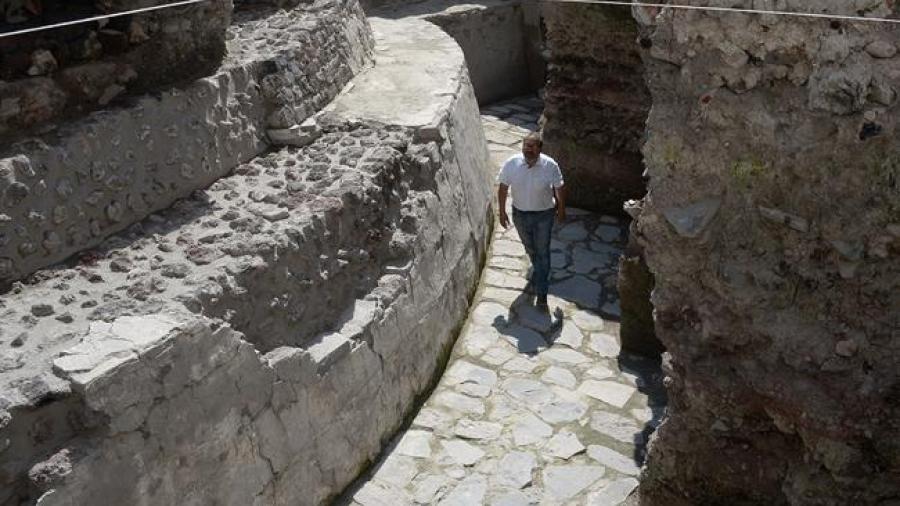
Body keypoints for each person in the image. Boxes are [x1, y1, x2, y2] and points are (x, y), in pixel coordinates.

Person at [497, 132, 566, 308]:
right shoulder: (512, 163)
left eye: (532, 146)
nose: (527, 149)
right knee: (530, 248)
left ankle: (542, 294)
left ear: (540, 148)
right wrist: (502, 211)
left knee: (542, 252)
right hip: (520, 215)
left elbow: (559, 188)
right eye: (525, 145)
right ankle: (540, 270)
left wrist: (561, 209)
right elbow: (503, 187)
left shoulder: (550, 166)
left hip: (544, 215)